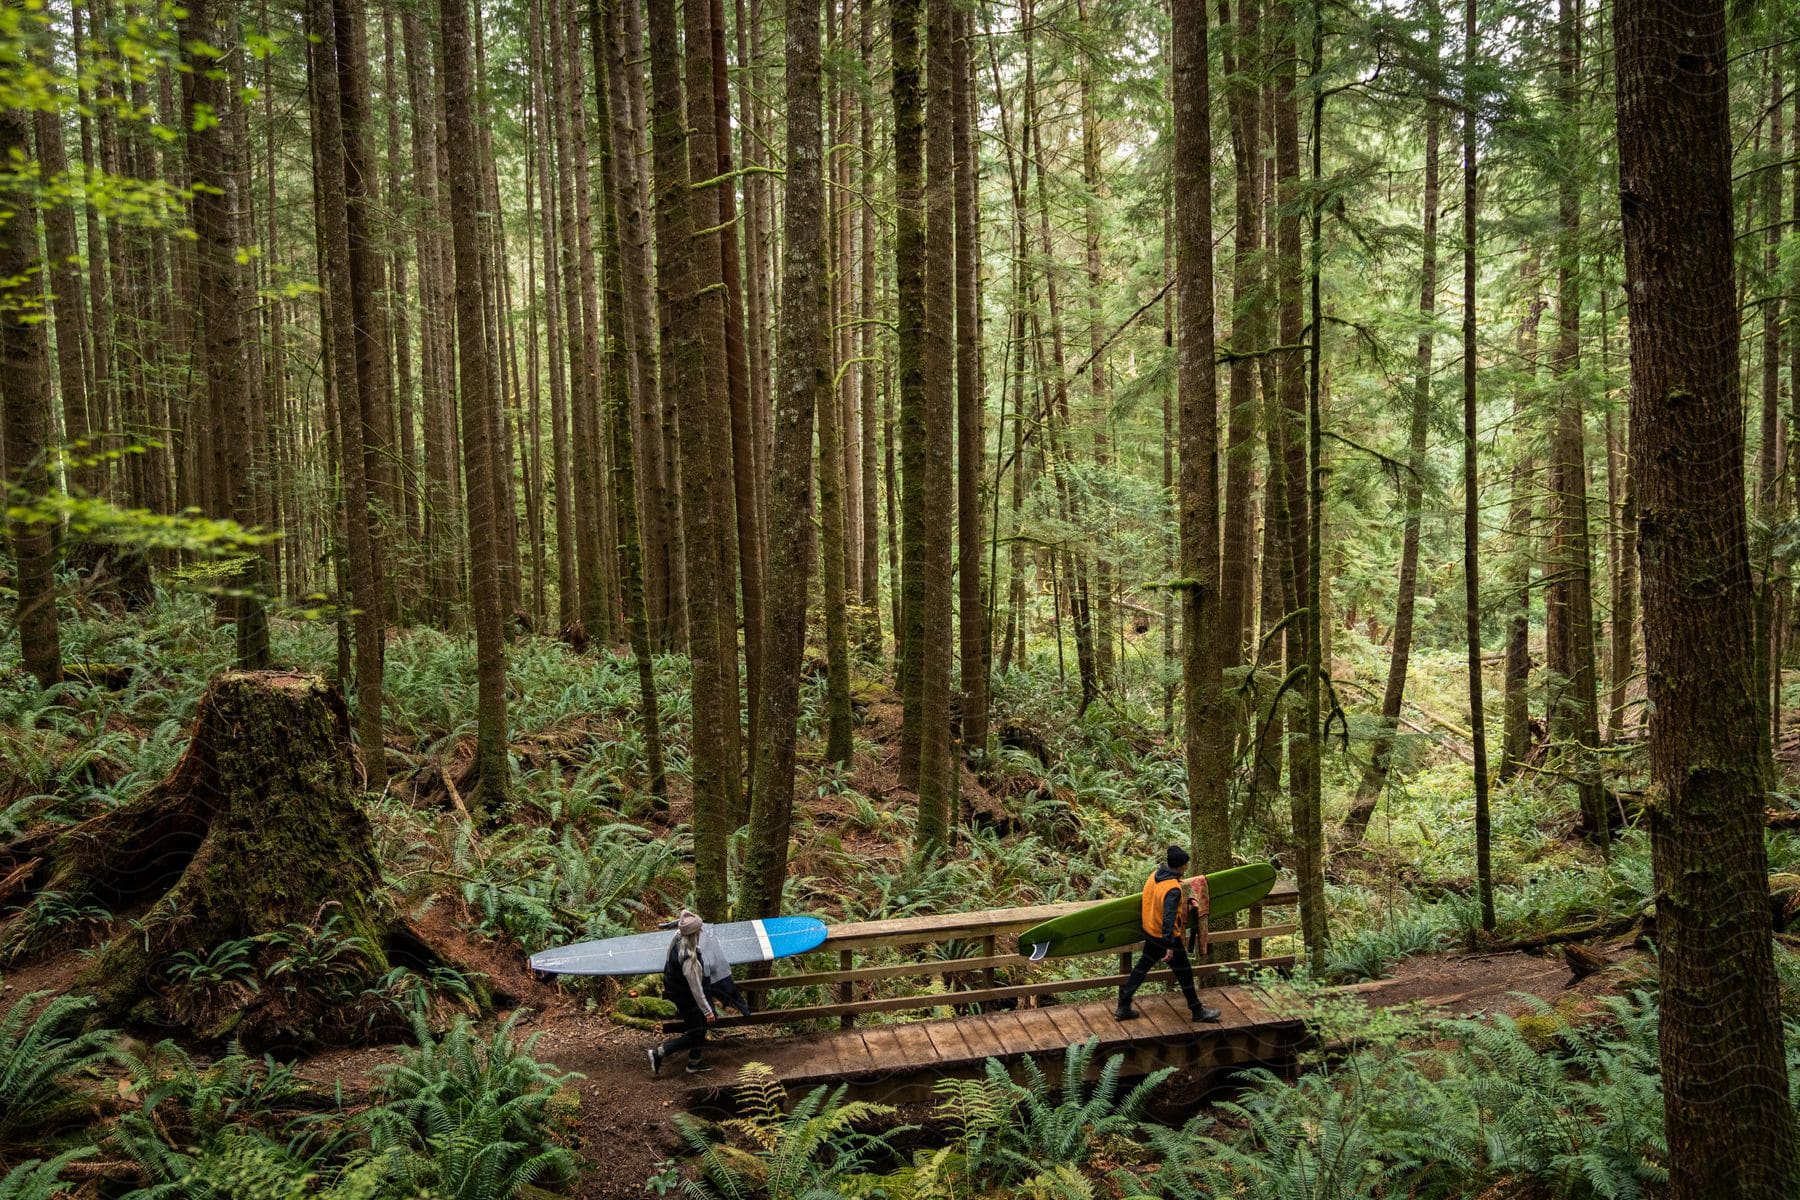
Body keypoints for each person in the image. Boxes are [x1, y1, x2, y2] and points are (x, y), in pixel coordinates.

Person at [1115, 845, 1221, 1023]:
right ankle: (1197, 1011)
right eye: (1185, 865)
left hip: (1150, 932)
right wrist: (1169, 946)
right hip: (1165, 938)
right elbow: (1169, 918)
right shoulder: (1172, 889)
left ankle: (1123, 1006)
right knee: (1185, 972)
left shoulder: (1154, 876)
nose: (1187, 868)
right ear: (1180, 866)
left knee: (1141, 968)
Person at [649, 910, 715, 1076]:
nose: (701, 932)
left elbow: (683, 918)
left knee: (700, 1027)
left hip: (677, 989)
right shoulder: (689, 960)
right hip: (686, 997)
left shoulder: (678, 936)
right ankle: (659, 1053)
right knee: (696, 1032)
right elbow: (696, 989)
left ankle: (694, 1062)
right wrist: (707, 1011)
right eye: (698, 930)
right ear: (693, 935)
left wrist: (687, 916)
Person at [697, 919, 753, 1018]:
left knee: (710, 997)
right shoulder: (710, 931)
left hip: (708, 976)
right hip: (722, 972)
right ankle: (748, 1015)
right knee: (733, 994)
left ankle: (715, 1019)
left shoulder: (691, 934)